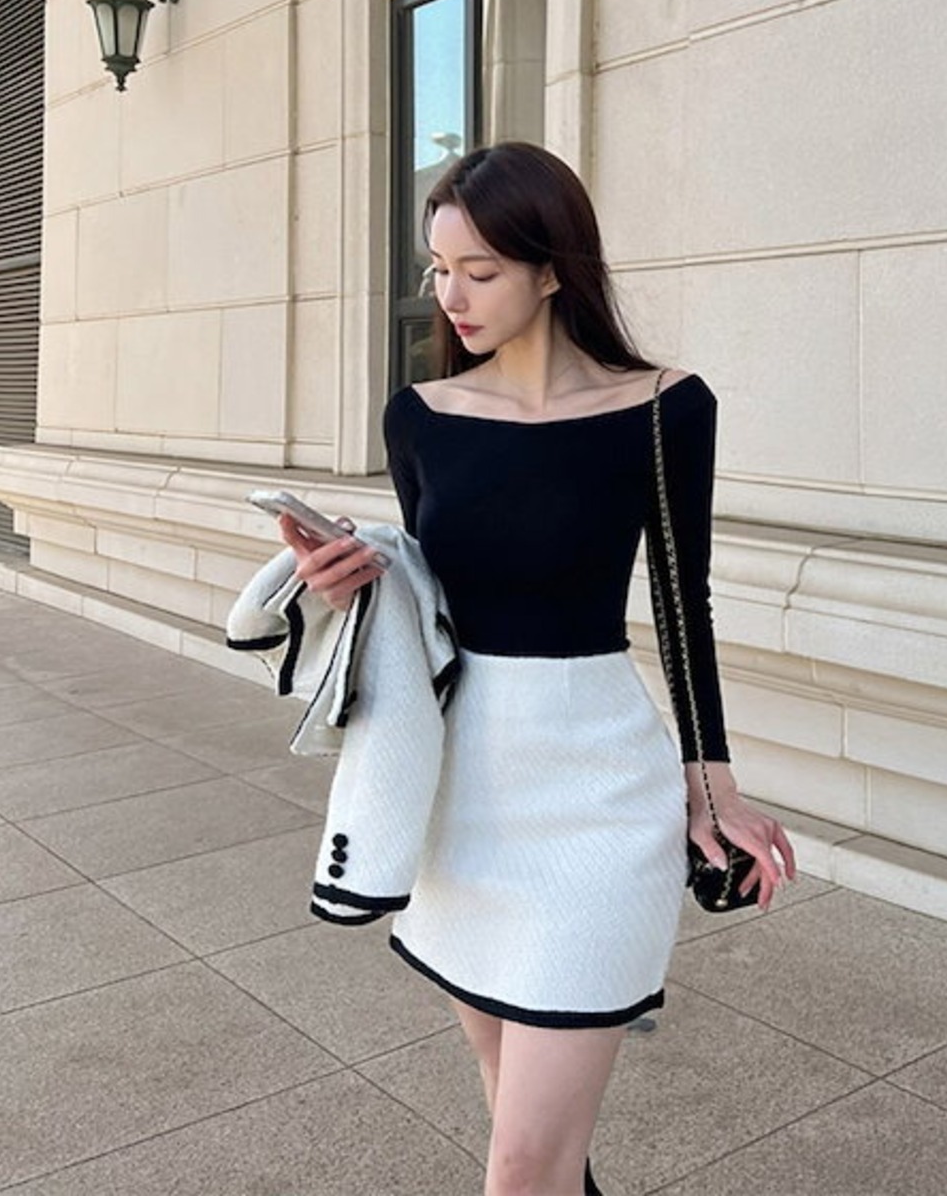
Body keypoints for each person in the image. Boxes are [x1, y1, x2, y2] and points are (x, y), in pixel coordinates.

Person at [278, 141, 796, 1196]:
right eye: (438, 269)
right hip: (463, 796)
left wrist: (713, 789)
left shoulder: (666, 407)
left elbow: (681, 603)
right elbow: (431, 596)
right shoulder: (421, 415)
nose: (449, 296)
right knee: (516, 1106)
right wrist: (349, 583)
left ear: (552, 269)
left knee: (520, 1161)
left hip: (599, 793)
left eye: (480, 271)